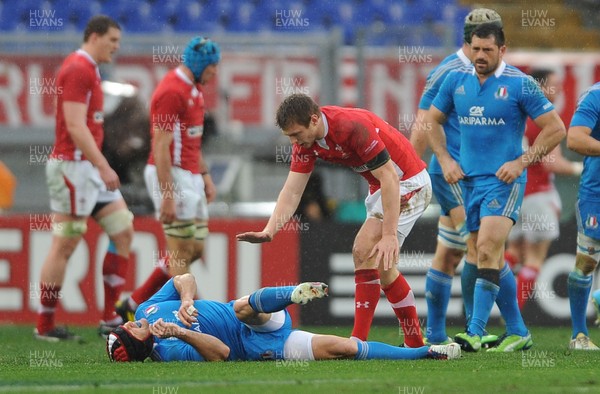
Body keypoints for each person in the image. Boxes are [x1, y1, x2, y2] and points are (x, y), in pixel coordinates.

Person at [237, 93, 432, 348]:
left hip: (407, 183)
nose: (294, 142)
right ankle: (414, 343)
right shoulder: (305, 143)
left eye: (296, 134)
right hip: (382, 188)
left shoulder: (352, 127)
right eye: (290, 137)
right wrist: (270, 230)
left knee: (363, 249)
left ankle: (357, 342)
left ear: (314, 119)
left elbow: (389, 177)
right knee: (384, 270)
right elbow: (293, 191)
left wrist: (389, 235)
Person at [426, 23, 566, 352]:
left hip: (505, 182)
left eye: (487, 50)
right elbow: (430, 120)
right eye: (475, 49)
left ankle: (474, 331)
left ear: (502, 50)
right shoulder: (455, 80)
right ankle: (518, 330)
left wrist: (522, 162)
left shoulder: (520, 84)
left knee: (487, 248)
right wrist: (445, 159)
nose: (480, 55)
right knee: (484, 254)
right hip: (469, 182)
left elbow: (556, 128)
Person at [35, 15, 134, 341]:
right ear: (94, 36)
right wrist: (104, 166)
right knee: (65, 244)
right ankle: (45, 326)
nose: (116, 48)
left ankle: (110, 318)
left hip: (88, 169)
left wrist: (99, 167)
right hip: (73, 170)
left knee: (122, 230)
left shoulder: (90, 69)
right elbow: (75, 126)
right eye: (113, 40)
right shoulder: (78, 68)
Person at [106, 273, 461, 362]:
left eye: (124, 325)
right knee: (341, 348)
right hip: (255, 346)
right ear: (140, 345)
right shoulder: (167, 349)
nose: (128, 323)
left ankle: (292, 293)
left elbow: (181, 278)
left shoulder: (145, 310)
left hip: (251, 318)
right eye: (128, 332)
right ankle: (426, 351)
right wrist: (182, 333)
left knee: (243, 306)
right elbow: (223, 354)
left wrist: (185, 298)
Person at [410, 8, 502, 346]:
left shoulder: (484, 73)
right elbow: (424, 122)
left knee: (450, 252)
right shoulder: (449, 70)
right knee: (480, 245)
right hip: (453, 174)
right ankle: (476, 329)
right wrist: (411, 172)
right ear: (472, 38)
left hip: (473, 175)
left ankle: (436, 332)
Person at [116, 37, 220, 321]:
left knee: (194, 248)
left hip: (190, 173)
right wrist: (168, 193)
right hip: (171, 173)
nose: (214, 73)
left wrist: (206, 176)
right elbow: (160, 145)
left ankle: (134, 302)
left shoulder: (194, 90)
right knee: (181, 253)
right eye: (212, 67)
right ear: (200, 65)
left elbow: (193, 140)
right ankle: (185, 318)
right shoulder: (171, 91)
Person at [505, 69, 583, 310]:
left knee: (513, 253)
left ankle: (488, 308)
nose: (560, 89)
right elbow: (552, 163)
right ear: (540, 87)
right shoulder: (544, 117)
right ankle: (513, 316)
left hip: (514, 195)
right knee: (535, 259)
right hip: (538, 196)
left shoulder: (517, 114)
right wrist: (581, 167)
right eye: (555, 84)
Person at [565, 81, 600, 350]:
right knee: (586, 262)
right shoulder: (594, 96)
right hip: (596, 193)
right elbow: (575, 138)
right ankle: (579, 335)